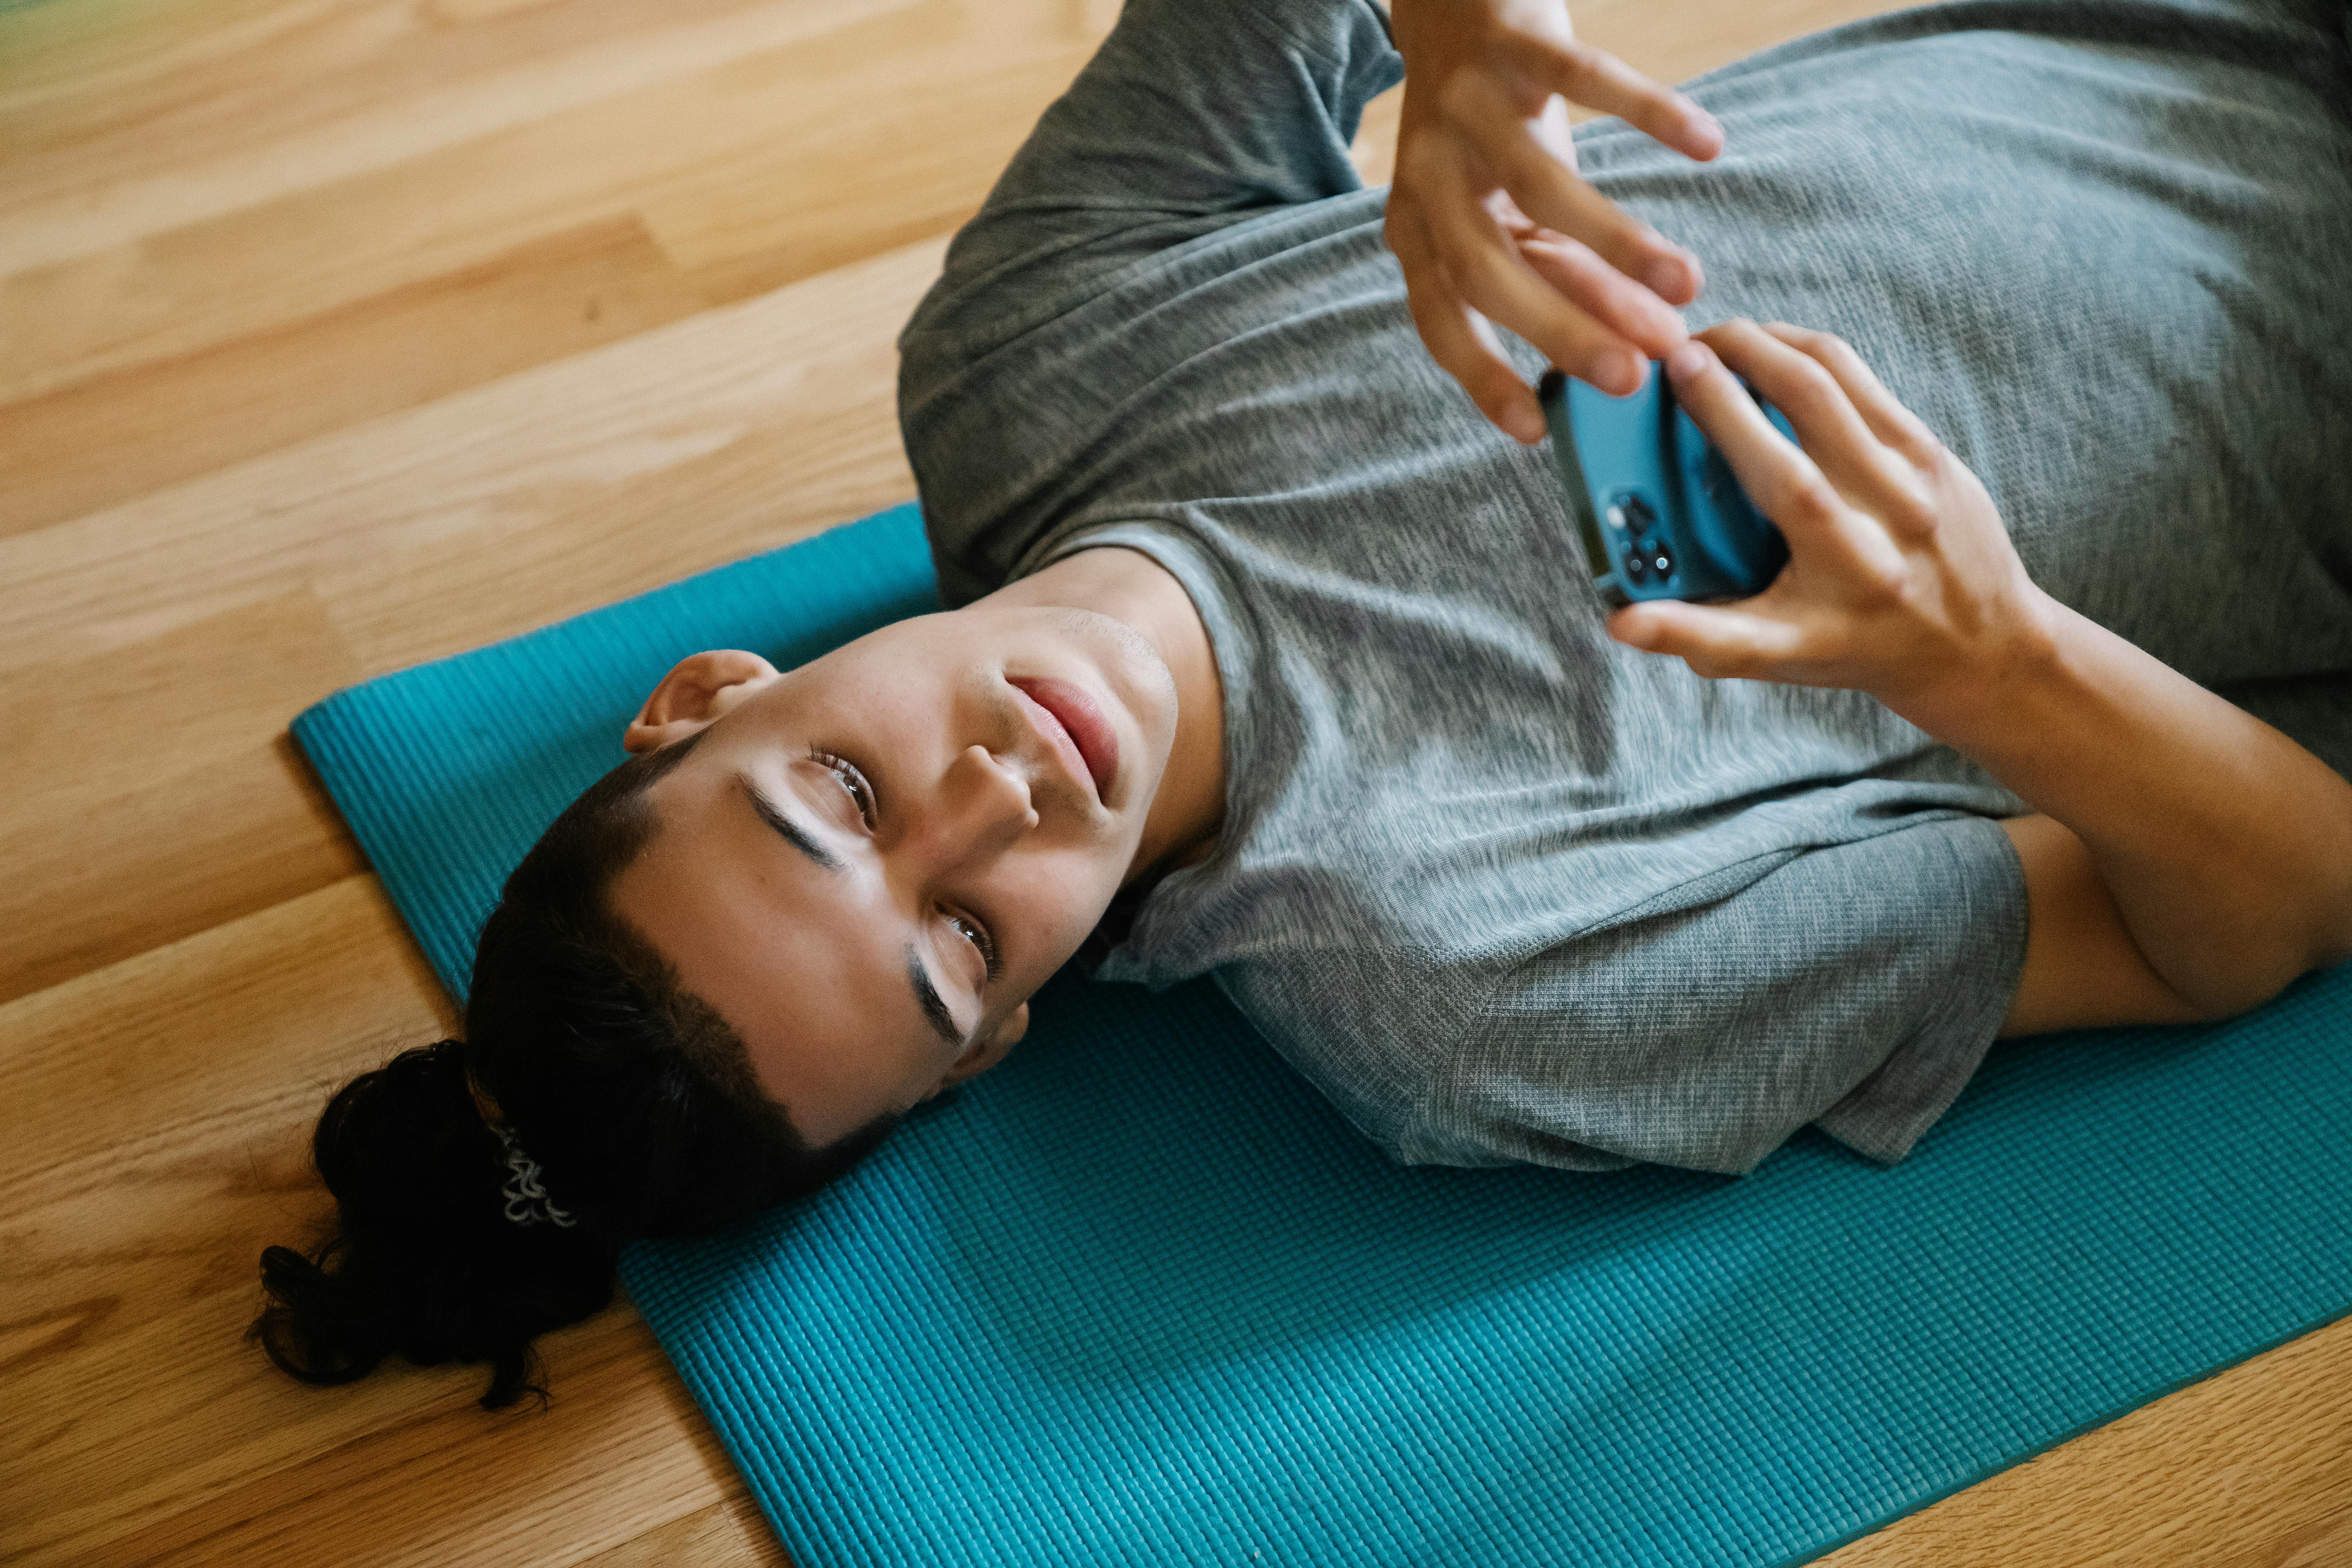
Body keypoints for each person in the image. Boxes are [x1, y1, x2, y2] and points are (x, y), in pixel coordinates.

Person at [256, 0, 2352, 1407]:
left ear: (713, 693)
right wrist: (1995, 664)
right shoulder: (1476, 994)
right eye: (960, 943)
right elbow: (2263, 907)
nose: (992, 809)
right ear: (993, 1045)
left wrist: (1449, 45)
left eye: (837, 793)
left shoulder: (1023, 365)